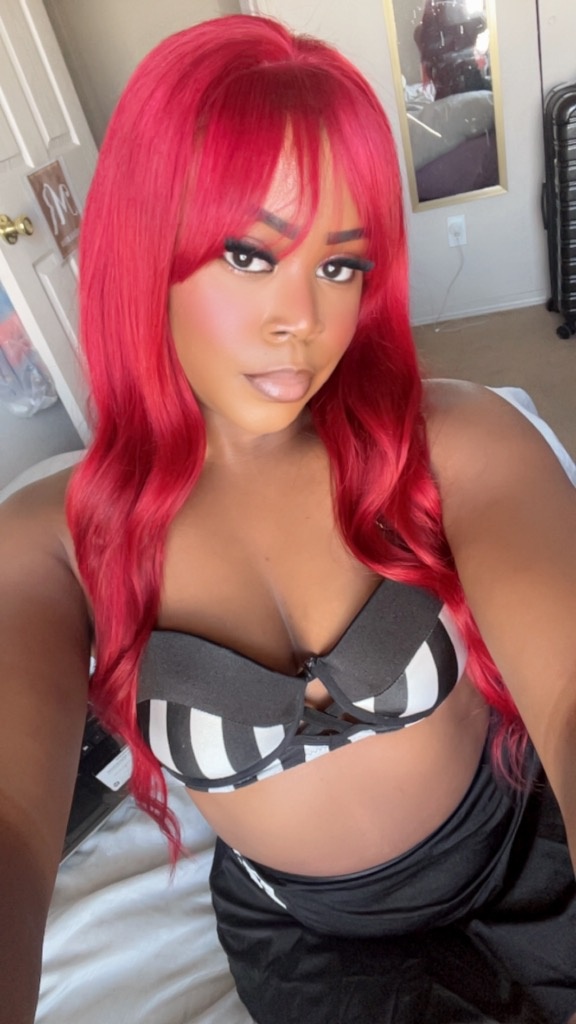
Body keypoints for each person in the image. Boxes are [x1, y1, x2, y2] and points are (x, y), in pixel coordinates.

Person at [0, 14, 575, 1024]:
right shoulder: (54, 541)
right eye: (248, 254)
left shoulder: (458, 442)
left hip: (517, 842)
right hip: (313, 938)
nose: (302, 318)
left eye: (340, 265)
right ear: (146, 248)